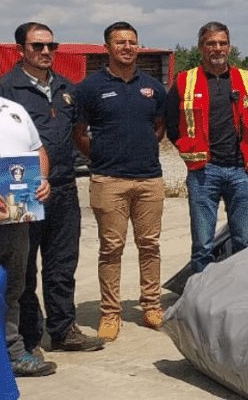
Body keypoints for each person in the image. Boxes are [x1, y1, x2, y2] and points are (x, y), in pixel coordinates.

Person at [0, 23, 104, 357]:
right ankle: (28, 338)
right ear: (21, 50)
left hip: (64, 187)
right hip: (22, 190)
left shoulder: (66, 88)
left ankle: (63, 330)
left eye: (50, 46)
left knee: (62, 264)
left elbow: (79, 134)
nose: (45, 52)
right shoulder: (5, 90)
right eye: (37, 46)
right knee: (22, 268)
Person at [72, 22, 167, 341]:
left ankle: (151, 305)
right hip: (108, 179)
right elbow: (78, 134)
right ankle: (110, 313)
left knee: (150, 245)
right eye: (120, 42)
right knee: (111, 248)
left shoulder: (153, 86)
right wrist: (99, 157)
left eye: (132, 42)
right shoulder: (90, 87)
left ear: (138, 46)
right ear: (107, 48)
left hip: (149, 179)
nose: (127, 47)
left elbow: (159, 128)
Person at [0, 42, 57, 376]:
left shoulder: (15, 110)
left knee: (11, 292)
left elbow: (38, 150)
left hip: (16, 221)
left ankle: (12, 355)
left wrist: (44, 180)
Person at [167, 22, 248, 274]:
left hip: (241, 171)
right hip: (203, 172)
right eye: (211, 43)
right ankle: (201, 295)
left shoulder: (246, 80)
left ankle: (241, 290)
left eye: (222, 43)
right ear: (201, 47)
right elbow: (172, 126)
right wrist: (190, 153)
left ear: (229, 47)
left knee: (243, 239)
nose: (217, 48)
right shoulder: (184, 81)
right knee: (202, 244)